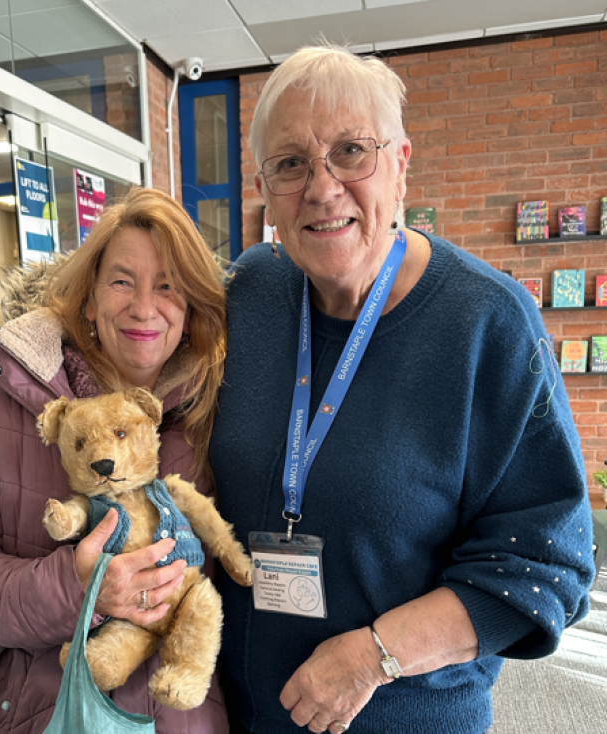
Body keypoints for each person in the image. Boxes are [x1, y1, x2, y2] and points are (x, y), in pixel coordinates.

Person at [209, 44, 595, 734]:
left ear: (402, 162)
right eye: (290, 163)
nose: (323, 188)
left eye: (351, 151)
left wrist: (374, 657)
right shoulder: (250, 293)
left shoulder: (489, 321)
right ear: (264, 188)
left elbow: (545, 562)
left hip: (403, 715)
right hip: (233, 712)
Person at [0, 187, 230, 734]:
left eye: (169, 287)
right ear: (88, 298)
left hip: (185, 715)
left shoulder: (218, 407)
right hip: (51, 709)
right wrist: (76, 588)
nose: (144, 308)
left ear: (193, 305)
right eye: (122, 281)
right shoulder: (6, 405)